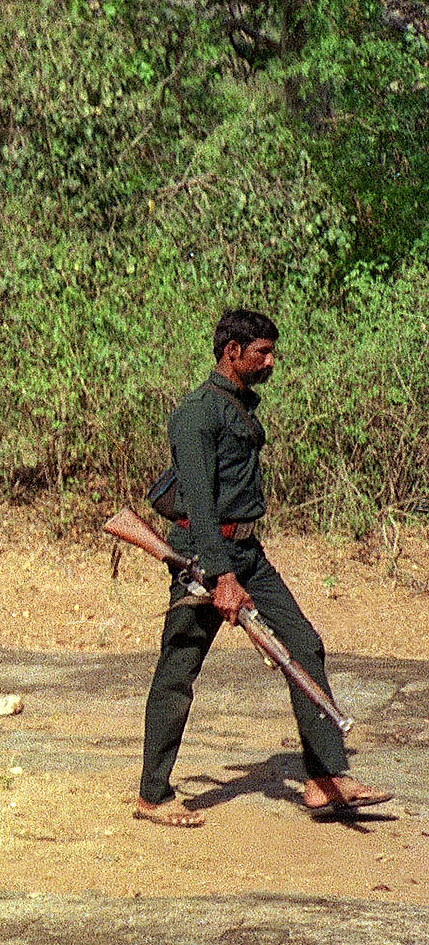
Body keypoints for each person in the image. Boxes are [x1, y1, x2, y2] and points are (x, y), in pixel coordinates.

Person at [133, 309, 392, 827]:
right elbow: (201, 504)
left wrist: (239, 568)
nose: (271, 361)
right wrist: (222, 577)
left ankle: (324, 778)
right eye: (263, 352)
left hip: (249, 555)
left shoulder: (239, 406)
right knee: (178, 670)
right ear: (233, 351)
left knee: (303, 644)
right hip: (205, 558)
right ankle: (153, 796)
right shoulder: (197, 413)